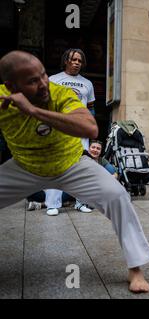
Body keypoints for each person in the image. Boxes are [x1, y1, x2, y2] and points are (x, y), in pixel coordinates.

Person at [0, 51, 149, 293]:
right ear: (11, 86)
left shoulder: (60, 92)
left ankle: (135, 269)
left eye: (43, 75)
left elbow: (90, 127)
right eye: (32, 81)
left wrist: (33, 110)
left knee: (117, 196)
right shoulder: (2, 99)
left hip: (72, 164)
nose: (43, 84)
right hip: (25, 167)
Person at [40, 49, 96, 216]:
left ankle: (81, 202)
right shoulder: (53, 80)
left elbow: (91, 109)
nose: (77, 62)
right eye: (73, 59)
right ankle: (52, 204)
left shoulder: (88, 84)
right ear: (66, 61)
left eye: (80, 60)